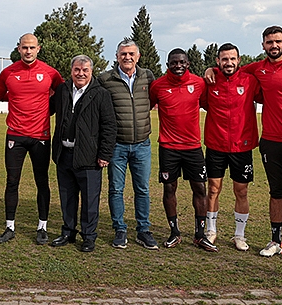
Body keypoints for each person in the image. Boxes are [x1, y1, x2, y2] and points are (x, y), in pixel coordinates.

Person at [206, 26, 282, 268]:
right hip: (271, 141)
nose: (273, 45)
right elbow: (231, 72)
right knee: (276, 193)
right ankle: (276, 241)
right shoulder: (258, 68)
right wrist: (211, 70)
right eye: (269, 42)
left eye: (277, 41)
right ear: (263, 45)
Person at [0, 33, 63, 244]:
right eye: (24, 47)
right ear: (18, 49)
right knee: (12, 182)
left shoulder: (50, 73)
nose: (28, 51)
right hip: (15, 135)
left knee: (42, 181)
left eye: (32, 47)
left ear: (38, 49)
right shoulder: (8, 73)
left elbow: (63, 94)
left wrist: (50, 110)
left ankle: (42, 227)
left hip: (41, 136)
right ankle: (9, 227)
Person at [149, 49, 216, 252]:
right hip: (168, 147)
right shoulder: (158, 85)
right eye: (174, 62)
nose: (178, 65)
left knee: (200, 189)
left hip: (193, 147)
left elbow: (208, 105)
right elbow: (146, 106)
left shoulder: (198, 83)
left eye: (182, 62)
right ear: (167, 63)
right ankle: (174, 232)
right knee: (169, 188)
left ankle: (200, 234)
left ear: (188, 63)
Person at [50, 55, 116, 252]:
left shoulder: (101, 94)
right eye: (77, 69)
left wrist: (105, 154)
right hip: (64, 154)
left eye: (85, 70)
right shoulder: (62, 90)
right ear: (71, 71)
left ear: (91, 71)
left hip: (89, 156)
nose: (80, 73)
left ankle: (88, 236)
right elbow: (46, 109)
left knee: (89, 200)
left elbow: (109, 126)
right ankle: (68, 232)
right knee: (67, 197)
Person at [98, 39, 157, 250]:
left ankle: (143, 230)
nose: (127, 57)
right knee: (116, 189)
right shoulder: (105, 79)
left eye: (131, 54)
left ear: (138, 56)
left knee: (142, 189)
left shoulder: (147, 76)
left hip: (142, 144)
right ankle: (120, 229)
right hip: (117, 146)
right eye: (123, 54)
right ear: (117, 56)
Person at [200, 43, 259, 251]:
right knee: (213, 189)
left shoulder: (250, 81)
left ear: (239, 60)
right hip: (216, 144)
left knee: (241, 191)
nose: (229, 63)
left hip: (242, 146)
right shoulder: (210, 81)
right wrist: (208, 72)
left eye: (232, 59)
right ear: (218, 61)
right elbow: (201, 103)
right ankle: (211, 230)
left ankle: (239, 235)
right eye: (224, 59)